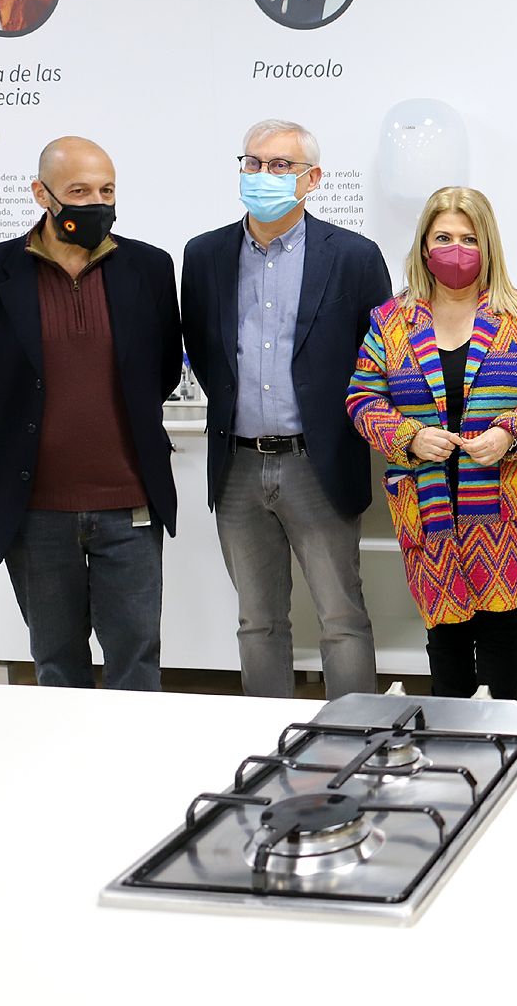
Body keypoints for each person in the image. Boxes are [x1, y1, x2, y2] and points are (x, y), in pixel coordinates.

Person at [0, 136, 180, 690]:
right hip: (35, 509)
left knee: (137, 658)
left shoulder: (149, 267)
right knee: (56, 662)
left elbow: (161, 370)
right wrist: (18, 429)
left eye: (107, 190)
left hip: (129, 504)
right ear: (41, 194)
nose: (97, 203)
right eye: (79, 191)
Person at [180, 119, 392, 700]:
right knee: (257, 621)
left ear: (312, 179)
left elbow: (378, 357)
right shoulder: (204, 255)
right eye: (252, 163)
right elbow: (204, 348)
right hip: (237, 465)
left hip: (317, 462)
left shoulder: (353, 256)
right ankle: (267, 737)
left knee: (341, 617)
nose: (263, 175)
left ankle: (354, 731)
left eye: (280, 166)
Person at [347, 187, 517, 699]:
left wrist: (509, 434)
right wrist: (409, 437)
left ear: (487, 244)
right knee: (444, 639)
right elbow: (362, 398)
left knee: (500, 636)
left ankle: (500, 736)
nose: (456, 249)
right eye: (444, 237)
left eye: (469, 239)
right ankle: (451, 738)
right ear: (424, 244)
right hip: (427, 506)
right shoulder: (392, 320)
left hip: (502, 507)